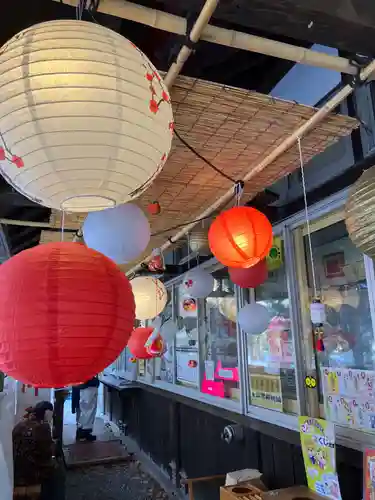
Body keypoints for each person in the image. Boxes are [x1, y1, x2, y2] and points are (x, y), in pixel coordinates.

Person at [12, 401, 55, 492]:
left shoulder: (21, 424)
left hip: (14, 471)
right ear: (46, 414)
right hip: (31, 472)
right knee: (57, 471)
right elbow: (46, 453)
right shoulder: (43, 427)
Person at [73, 376, 100, 442]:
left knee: (87, 410)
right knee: (87, 410)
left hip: (87, 384)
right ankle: (83, 433)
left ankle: (83, 431)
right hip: (87, 385)